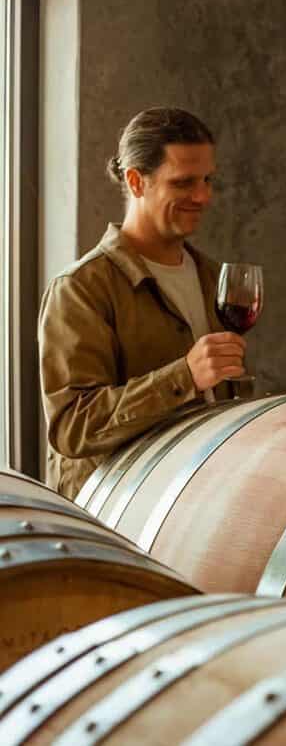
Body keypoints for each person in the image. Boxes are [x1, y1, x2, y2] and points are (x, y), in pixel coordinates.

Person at [38, 108, 249, 499]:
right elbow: (73, 428)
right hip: (115, 522)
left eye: (207, 180)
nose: (203, 196)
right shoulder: (81, 288)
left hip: (192, 507)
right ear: (136, 181)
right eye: (184, 182)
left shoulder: (212, 276)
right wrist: (184, 376)